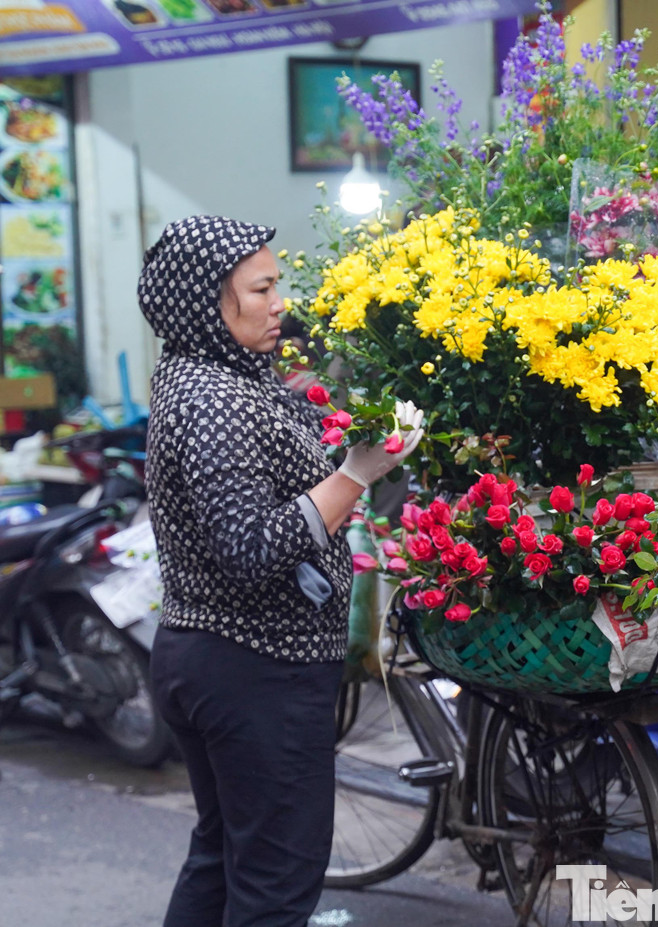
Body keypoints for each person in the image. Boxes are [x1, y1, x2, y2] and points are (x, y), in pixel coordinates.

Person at [138, 216, 422, 927]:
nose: (277, 304)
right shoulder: (215, 400)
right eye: (260, 289)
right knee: (276, 883)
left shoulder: (211, 375)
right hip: (252, 667)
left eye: (276, 285)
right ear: (209, 300)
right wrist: (359, 475)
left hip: (216, 659)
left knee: (223, 856)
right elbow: (250, 550)